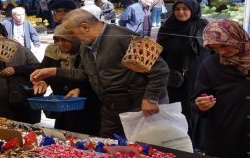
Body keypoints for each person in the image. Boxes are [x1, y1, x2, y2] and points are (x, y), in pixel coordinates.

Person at [31, 9, 169, 138]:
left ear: (85, 27)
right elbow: (86, 74)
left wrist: (150, 98)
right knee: (108, 148)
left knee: (142, 150)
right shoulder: (85, 46)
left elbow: (160, 69)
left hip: (137, 108)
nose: (73, 38)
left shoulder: (124, 37)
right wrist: (54, 71)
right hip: (110, 108)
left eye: (72, 33)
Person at [157, 0, 211, 151]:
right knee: (177, 110)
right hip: (174, 78)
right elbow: (159, 54)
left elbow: (211, 50)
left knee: (198, 107)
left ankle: (199, 144)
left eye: (185, 9)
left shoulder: (203, 26)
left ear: (193, 9)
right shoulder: (167, 27)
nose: (181, 12)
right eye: (177, 9)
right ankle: (181, 143)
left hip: (198, 74)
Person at [194, 20, 250, 158]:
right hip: (225, 138)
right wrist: (201, 104)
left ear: (239, 38)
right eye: (215, 48)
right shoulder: (210, 65)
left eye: (225, 45)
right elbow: (199, 97)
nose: (222, 52)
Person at [33, 24, 101, 136]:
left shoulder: (86, 53)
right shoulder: (53, 52)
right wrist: (44, 81)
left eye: (65, 39)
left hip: (86, 111)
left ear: (75, 38)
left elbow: (93, 77)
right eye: (57, 39)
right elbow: (42, 71)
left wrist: (80, 90)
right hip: (63, 111)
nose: (60, 43)